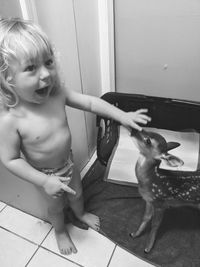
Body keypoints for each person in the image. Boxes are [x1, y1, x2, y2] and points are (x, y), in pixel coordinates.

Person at [0, 17, 151, 255]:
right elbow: (10, 160)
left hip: (68, 162)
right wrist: (44, 181)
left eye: (48, 62)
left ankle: (80, 213)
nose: (46, 74)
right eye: (31, 68)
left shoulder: (56, 94)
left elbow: (90, 102)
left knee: (78, 194)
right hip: (46, 175)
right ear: (8, 79)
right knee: (56, 207)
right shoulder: (11, 120)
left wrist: (122, 115)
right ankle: (60, 230)